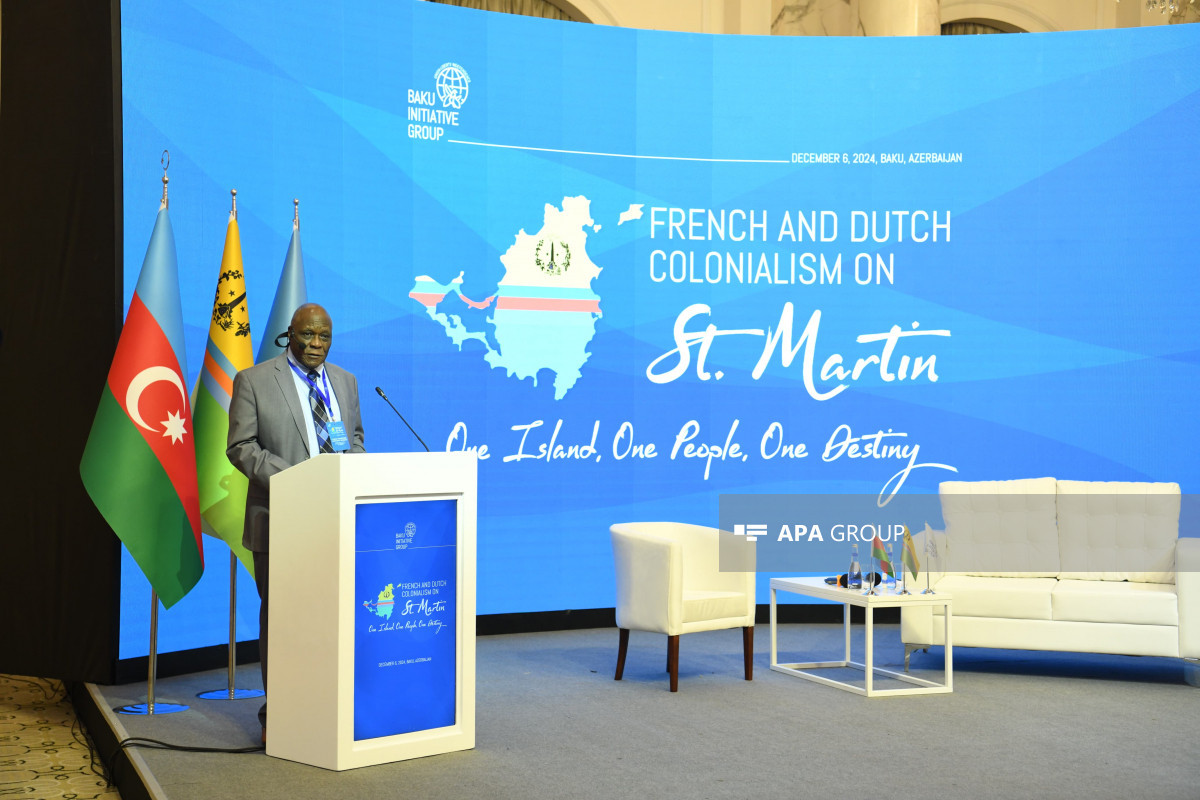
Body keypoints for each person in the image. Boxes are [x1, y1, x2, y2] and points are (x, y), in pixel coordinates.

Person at [227, 303, 366, 742]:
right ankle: (281, 714)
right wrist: (296, 480)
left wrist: (353, 471)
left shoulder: (345, 381)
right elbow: (241, 447)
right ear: (290, 334)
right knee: (284, 621)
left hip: (334, 522)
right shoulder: (254, 380)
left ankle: (327, 706)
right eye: (308, 335)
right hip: (280, 519)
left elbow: (354, 439)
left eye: (324, 337)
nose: (316, 345)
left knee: (333, 618)